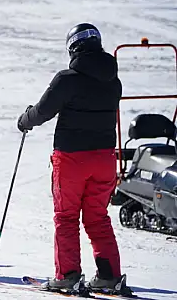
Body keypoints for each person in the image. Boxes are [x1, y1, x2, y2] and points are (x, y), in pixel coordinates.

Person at [17, 23, 131, 296]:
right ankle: (109, 276)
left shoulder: (66, 79)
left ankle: (67, 276)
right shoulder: (113, 81)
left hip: (71, 159)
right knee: (98, 217)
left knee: (67, 217)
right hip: (105, 158)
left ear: (73, 47)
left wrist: (24, 119)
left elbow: (43, 111)